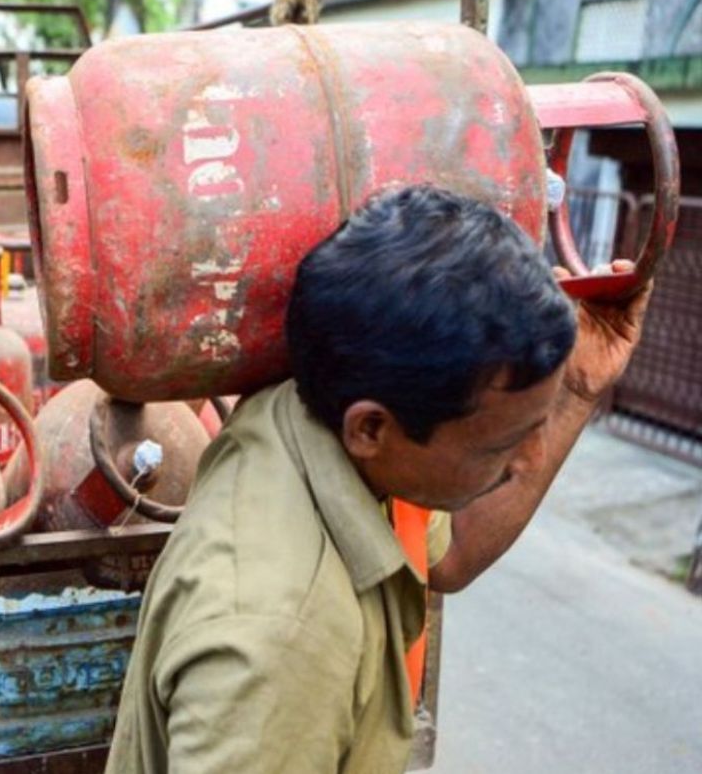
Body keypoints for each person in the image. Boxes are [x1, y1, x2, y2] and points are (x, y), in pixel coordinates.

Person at [105, 185, 651, 774]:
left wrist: (576, 390)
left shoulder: (315, 410)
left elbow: (450, 556)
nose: (532, 460)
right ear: (370, 428)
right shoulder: (284, 642)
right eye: (501, 443)